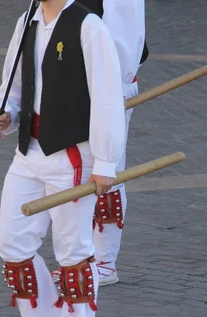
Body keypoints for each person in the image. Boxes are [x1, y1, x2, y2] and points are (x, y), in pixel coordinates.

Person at [0, 0, 126, 317]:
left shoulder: (88, 26)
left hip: (72, 155)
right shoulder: (27, 21)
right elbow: (14, 83)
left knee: (73, 251)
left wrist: (106, 162)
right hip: (28, 153)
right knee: (12, 243)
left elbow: (108, 98)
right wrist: (5, 114)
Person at [52, 0, 146, 286]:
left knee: (108, 171)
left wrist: (114, 91)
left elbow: (126, 34)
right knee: (76, 169)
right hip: (75, 83)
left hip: (108, 86)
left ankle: (105, 261)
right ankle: (82, 255)